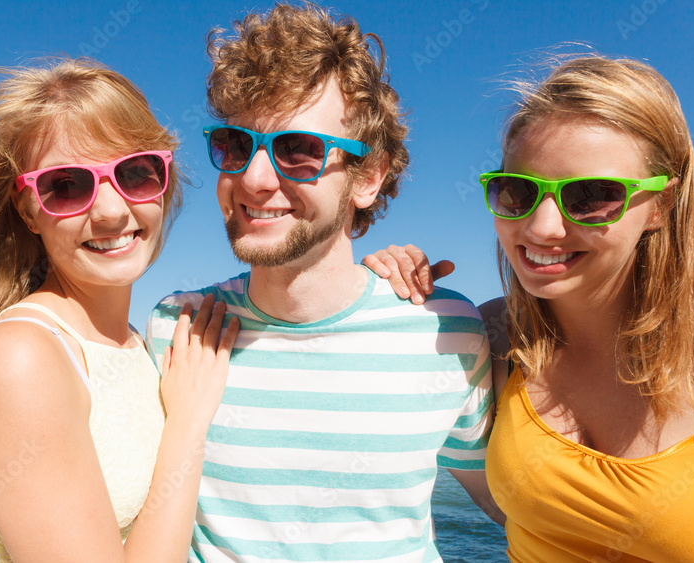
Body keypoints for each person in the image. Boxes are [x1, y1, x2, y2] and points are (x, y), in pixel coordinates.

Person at [145, 4, 499, 562]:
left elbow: (521, 510)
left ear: (368, 177)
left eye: (300, 151)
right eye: (237, 145)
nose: (256, 179)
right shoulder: (178, 330)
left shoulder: (445, 331)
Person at [365, 54, 694, 562]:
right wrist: (391, 290)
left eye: (589, 197)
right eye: (518, 191)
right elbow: (510, 510)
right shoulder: (495, 336)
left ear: (661, 206)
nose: (541, 228)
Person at [0, 57, 239, 562]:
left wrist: (387, 264)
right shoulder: (20, 359)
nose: (113, 211)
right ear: (28, 209)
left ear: (165, 180)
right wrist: (187, 424)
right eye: (67, 185)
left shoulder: (137, 344)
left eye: (136, 173)